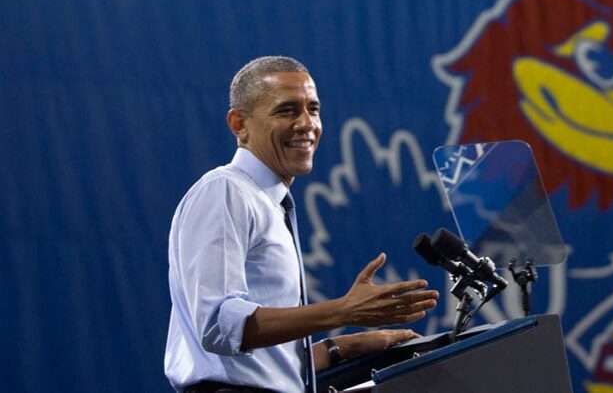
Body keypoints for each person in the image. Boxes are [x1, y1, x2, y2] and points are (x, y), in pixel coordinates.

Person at [165, 56, 438, 392]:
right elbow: (220, 324)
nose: (307, 124)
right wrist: (344, 311)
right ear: (239, 124)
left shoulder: (268, 201)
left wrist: (343, 347)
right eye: (287, 111)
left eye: (313, 109)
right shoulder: (225, 191)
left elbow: (259, 365)